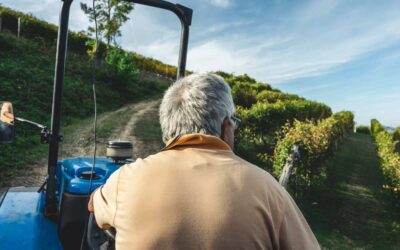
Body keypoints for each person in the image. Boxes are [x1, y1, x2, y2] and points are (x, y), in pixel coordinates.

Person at [88, 73, 320, 249]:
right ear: (226, 126)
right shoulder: (269, 190)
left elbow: (93, 205)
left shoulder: (125, 180)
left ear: (167, 132)